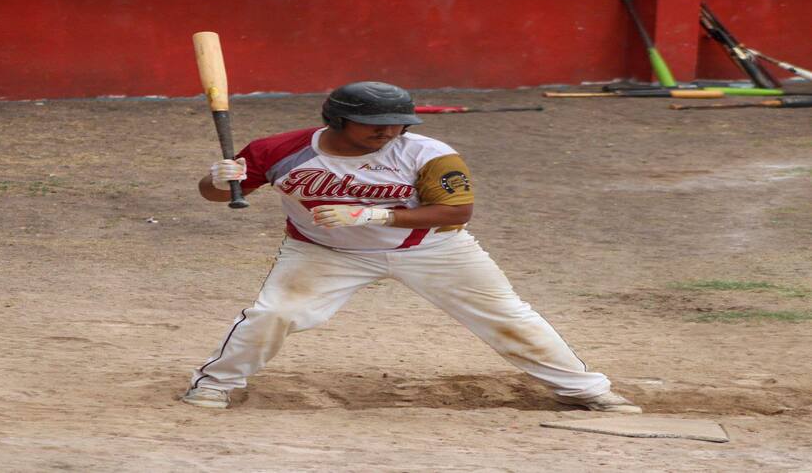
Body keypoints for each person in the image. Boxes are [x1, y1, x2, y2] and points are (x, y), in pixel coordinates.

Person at [182, 81, 641, 413]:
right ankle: (216, 384)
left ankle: (584, 389)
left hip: (432, 249)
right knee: (273, 314)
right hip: (324, 252)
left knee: (508, 316)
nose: (388, 132)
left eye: (397, 123)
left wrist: (374, 215)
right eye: (374, 124)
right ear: (337, 120)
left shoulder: (427, 153)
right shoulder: (278, 150)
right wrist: (217, 180)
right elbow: (220, 196)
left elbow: (456, 212)